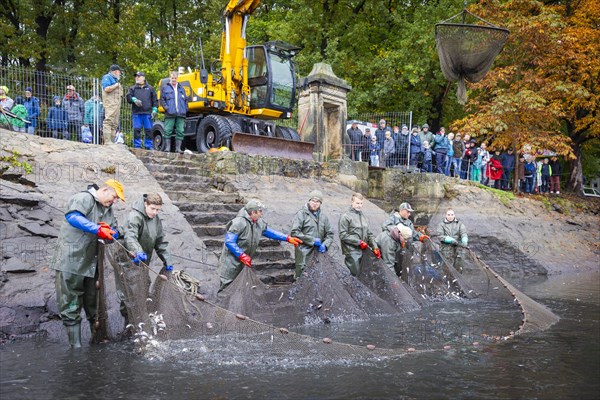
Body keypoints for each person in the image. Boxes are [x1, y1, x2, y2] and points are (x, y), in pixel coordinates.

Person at [50, 179, 125, 348]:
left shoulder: (108, 209)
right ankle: (75, 346)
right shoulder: (83, 198)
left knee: (94, 303)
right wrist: (97, 229)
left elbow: (113, 232)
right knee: (70, 302)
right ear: (105, 190)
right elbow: (73, 217)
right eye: (113, 197)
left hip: (92, 264)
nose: (114, 201)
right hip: (70, 261)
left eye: (116, 200)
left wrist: (115, 232)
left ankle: (98, 340)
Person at [218, 199, 302, 291]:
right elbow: (229, 242)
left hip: (245, 258)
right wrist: (241, 255)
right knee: (228, 282)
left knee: (240, 283)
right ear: (253, 212)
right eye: (260, 211)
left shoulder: (258, 222)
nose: (261, 214)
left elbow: (270, 232)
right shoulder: (238, 223)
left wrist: (287, 238)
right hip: (231, 259)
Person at [118, 193, 173, 324]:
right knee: (131, 291)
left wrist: (167, 260)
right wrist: (138, 251)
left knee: (144, 286)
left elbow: (161, 241)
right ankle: (129, 322)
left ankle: (137, 321)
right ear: (145, 204)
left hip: (143, 262)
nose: (155, 212)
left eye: (158, 209)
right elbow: (130, 237)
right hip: (129, 260)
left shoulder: (156, 219)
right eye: (152, 208)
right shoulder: (135, 216)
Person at [289, 190, 334, 279]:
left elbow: (330, 234)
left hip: (319, 253)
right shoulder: (301, 214)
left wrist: (325, 245)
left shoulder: (324, 217)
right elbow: (294, 233)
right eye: (313, 200)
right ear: (309, 201)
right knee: (302, 277)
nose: (315, 203)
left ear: (320, 203)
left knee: (317, 278)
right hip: (303, 253)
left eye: (317, 202)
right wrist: (312, 240)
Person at [375, 202, 428, 275]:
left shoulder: (409, 222)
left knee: (403, 269)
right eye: (408, 211)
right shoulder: (392, 218)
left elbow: (412, 233)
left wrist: (421, 236)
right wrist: (399, 236)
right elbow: (385, 227)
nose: (409, 214)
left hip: (405, 250)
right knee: (392, 265)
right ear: (402, 210)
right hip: (395, 249)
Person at [338, 193, 381, 276]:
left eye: (361, 203)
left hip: (364, 250)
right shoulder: (345, 216)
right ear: (352, 202)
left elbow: (369, 234)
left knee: (365, 275)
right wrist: (359, 242)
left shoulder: (363, 217)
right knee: (356, 274)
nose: (359, 205)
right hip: (352, 251)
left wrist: (375, 247)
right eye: (357, 203)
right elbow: (343, 235)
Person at [126, 71, 158, 150]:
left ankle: (149, 146)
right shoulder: (132, 88)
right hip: (136, 113)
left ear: (143, 78)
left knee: (149, 130)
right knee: (137, 130)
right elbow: (128, 97)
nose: (137, 78)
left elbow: (155, 100)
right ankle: (137, 146)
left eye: (139, 76)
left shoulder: (150, 88)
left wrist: (154, 110)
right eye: (136, 76)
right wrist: (134, 100)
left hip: (147, 113)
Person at [160, 71, 188, 153]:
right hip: (170, 113)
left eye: (175, 78)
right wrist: (167, 108)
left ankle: (178, 149)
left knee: (180, 131)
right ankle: (167, 148)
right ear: (170, 78)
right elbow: (162, 99)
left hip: (181, 114)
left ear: (177, 78)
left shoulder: (181, 89)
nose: (174, 79)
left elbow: (186, 100)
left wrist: (185, 109)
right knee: (167, 130)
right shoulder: (165, 88)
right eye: (172, 78)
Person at [101, 64, 124, 145]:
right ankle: (107, 141)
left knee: (115, 123)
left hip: (116, 105)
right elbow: (106, 89)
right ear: (115, 71)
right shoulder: (107, 77)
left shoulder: (115, 80)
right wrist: (116, 85)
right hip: (110, 104)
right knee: (108, 121)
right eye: (119, 71)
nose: (120, 73)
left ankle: (112, 141)